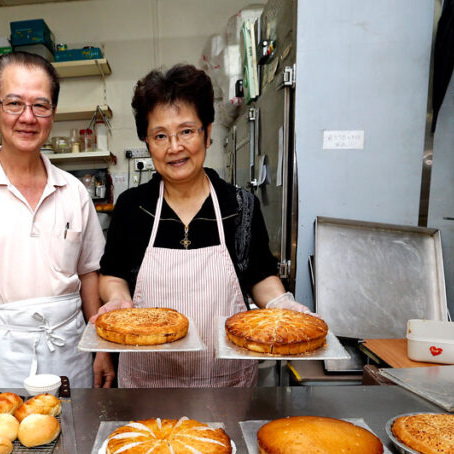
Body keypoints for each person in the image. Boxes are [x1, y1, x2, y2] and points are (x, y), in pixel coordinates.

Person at [95, 64, 316, 388]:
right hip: (148, 383)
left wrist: (284, 305)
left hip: (225, 383)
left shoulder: (239, 206)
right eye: (160, 136)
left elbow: (260, 276)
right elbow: (112, 274)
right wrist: (116, 298)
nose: (174, 147)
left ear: (207, 133)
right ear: (147, 141)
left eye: (186, 131)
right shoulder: (132, 206)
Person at [0, 52, 114, 389]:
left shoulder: (73, 191)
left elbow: (89, 274)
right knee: (10, 438)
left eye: (40, 106)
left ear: (53, 114)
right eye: (14, 103)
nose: (28, 117)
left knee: (77, 434)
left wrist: (100, 349)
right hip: (3, 354)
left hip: (71, 348)